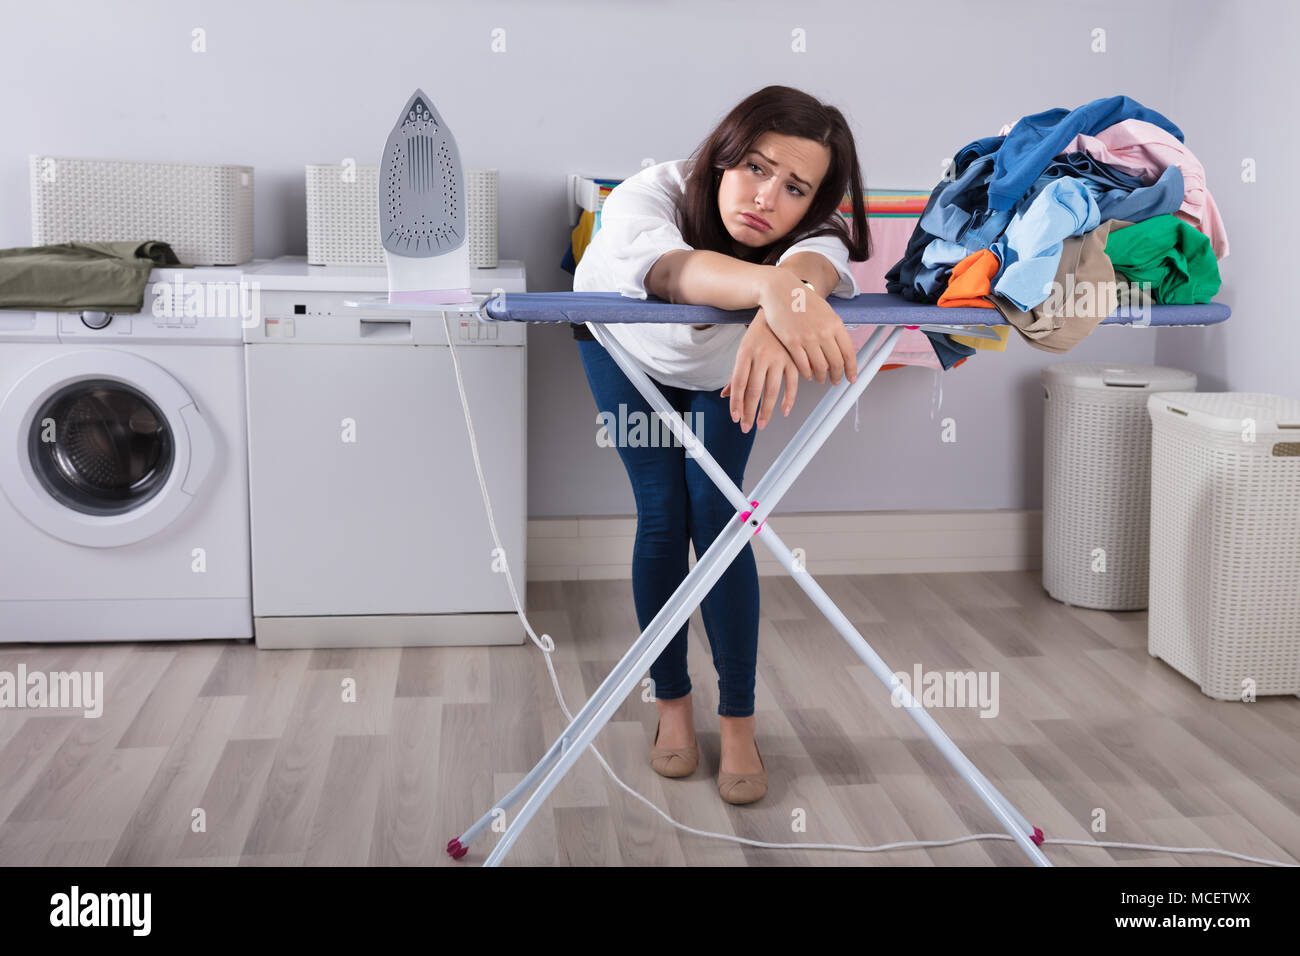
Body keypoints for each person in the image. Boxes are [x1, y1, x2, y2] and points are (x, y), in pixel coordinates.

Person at [572, 84, 870, 804]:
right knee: (662, 514)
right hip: (624, 347)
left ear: (814, 201)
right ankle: (671, 707)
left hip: (719, 370)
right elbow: (676, 274)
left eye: (794, 187)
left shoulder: (809, 240)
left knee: (721, 518)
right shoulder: (650, 195)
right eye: (756, 168)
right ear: (723, 154)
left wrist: (785, 298)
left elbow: (814, 270)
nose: (768, 197)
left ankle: (738, 720)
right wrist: (777, 292)